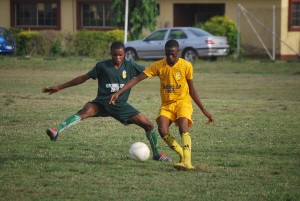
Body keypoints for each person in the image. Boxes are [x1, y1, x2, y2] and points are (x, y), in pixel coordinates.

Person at [42, 41, 171, 162]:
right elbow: (83, 78)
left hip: (121, 106)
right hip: (102, 103)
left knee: (149, 125)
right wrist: (59, 87)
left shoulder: (130, 66)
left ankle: (156, 154)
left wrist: (167, 70)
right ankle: (56, 130)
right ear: (110, 54)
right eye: (115, 55)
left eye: (120, 55)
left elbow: (151, 70)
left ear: (124, 54)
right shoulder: (101, 66)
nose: (117, 58)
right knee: (85, 111)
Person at [110, 39, 215, 170]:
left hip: (183, 102)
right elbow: (137, 78)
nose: (170, 57)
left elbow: (192, 89)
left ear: (178, 53)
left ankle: (188, 161)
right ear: (165, 53)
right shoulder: (159, 65)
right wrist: (119, 92)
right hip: (167, 105)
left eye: (174, 54)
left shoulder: (186, 66)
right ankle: (182, 155)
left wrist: (203, 109)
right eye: (168, 54)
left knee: (183, 126)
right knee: (162, 129)